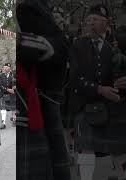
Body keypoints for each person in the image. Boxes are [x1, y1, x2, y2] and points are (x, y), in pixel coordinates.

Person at [69, 4, 126, 180]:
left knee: (119, 149)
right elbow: (74, 78)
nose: (90, 24)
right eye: (88, 21)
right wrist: (99, 89)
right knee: (86, 150)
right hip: (86, 105)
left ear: (105, 23)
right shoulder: (78, 45)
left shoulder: (113, 48)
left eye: (94, 20)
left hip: (110, 108)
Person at [16, 0, 71, 179]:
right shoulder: (29, 13)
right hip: (30, 104)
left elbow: (31, 47)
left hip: (43, 103)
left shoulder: (56, 40)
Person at [0, 63, 16, 129]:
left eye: (7, 67)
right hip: (3, 94)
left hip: (13, 94)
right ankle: (3, 123)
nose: (5, 68)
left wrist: (14, 87)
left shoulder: (13, 75)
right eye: (4, 67)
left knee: (14, 108)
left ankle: (14, 119)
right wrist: (8, 89)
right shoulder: (0, 76)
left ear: (9, 68)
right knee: (3, 109)